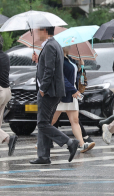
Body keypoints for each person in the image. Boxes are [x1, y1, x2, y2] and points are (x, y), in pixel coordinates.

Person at [29, 26, 79, 165]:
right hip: (53, 90)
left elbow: (50, 70)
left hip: (49, 91)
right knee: (44, 122)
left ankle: (69, 142)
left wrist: (43, 88)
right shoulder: (54, 44)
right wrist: (38, 61)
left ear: (45, 31)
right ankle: (43, 156)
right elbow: (49, 66)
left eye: (38, 30)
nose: (37, 33)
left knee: (42, 123)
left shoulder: (51, 46)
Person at [50, 47, 94, 153]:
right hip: (63, 94)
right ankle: (41, 142)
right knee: (51, 121)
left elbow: (75, 77)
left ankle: (82, 144)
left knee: (75, 120)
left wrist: (81, 66)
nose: (71, 47)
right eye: (69, 45)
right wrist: (73, 90)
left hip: (72, 93)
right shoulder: (60, 59)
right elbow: (61, 77)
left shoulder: (70, 58)